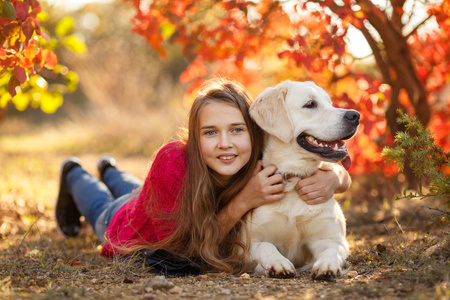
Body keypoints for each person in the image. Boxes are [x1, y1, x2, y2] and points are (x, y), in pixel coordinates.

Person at [55, 78, 351, 274]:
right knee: (102, 206)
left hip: (153, 197)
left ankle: (109, 167)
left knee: (132, 187)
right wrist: (243, 201)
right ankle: (73, 172)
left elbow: (308, 154)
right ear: (195, 139)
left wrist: (336, 176)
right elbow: (185, 247)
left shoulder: (259, 150)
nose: (226, 143)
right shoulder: (173, 161)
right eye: (211, 132)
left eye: (237, 129)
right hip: (133, 221)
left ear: (254, 132)